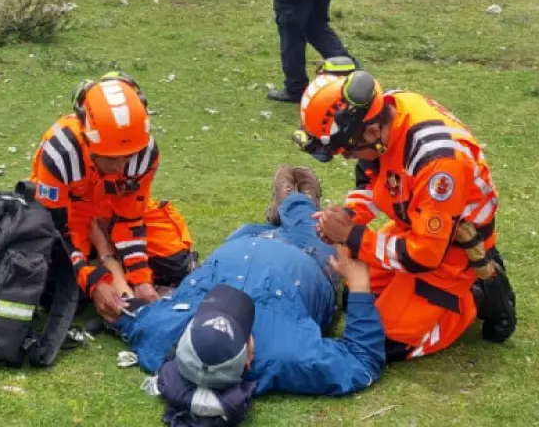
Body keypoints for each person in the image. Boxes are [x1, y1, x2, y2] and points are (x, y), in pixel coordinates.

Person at [115, 166, 385, 426]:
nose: (228, 300)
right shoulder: (288, 355)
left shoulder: (161, 332)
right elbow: (362, 361)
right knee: (310, 220)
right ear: (248, 359)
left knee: (247, 228)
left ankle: (283, 209)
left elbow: (120, 308)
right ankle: (296, 201)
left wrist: (105, 259)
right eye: (241, 318)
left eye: (209, 309)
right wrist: (359, 282)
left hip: (242, 241)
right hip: (307, 254)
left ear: (180, 343)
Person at [293, 64, 517, 362]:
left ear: (371, 131)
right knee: (354, 297)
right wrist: (350, 216)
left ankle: (478, 295)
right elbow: (375, 179)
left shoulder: (438, 163)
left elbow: (425, 255)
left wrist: (352, 236)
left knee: (384, 341)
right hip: (416, 223)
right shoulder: (386, 112)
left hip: (449, 249)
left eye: (347, 151)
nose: (347, 157)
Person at [29, 72, 197, 322]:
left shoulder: (144, 152)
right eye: (110, 158)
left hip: (115, 216)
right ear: (87, 138)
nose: (120, 168)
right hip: (70, 220)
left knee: (177, 266)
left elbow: (131, 217)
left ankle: (108, 257)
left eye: (127, 156)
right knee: (54, 290)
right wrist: (94, 282)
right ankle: (102, 258)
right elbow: (56, 228)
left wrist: (140, 279)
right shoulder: (60, 153)